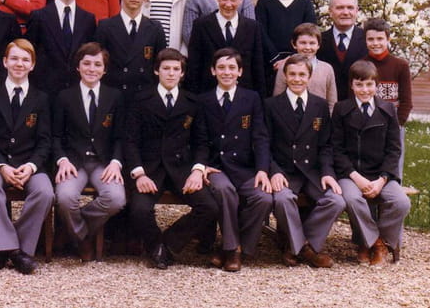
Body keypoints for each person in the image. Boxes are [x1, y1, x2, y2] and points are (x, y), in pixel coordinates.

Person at [125, 49, 219, 269]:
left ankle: (167, 244)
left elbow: (201, 142)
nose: (171, 73)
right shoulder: (140, 100)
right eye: (166, 68)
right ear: (156, 71)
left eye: (176, 69)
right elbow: (130, 141)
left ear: (182, 73)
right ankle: (155, 245)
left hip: (181, 168)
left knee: (209, 207)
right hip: (150, 169)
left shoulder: (192, 102)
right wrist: (139, 174)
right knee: (139, 209)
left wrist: (197, 170)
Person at [192, 48, 273, 272]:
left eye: (231, 68)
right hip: (216, 167)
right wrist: (200, 166)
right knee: (224, 191)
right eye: (221, 67)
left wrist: (262, 170)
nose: (226, 72)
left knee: (264, 198)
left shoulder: (252, 98)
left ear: (240, 71)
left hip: (244, 167)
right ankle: (232, 250)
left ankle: (237, 246)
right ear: (213, 71)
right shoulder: (203, 100)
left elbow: (260, 137)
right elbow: (200, 140)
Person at [0, 39, 54, 274]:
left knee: (45, 192)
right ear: (5, 62)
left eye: (25, 59)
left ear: (33, 65)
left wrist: (31, 166)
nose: (19, 64)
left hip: (30, 164)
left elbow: (45, 141)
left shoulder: (41, 98)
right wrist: (1, 166)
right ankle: (16, 252)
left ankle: (10, 249)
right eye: (14, 58)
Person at [265, 54, 345, 268]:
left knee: (336, 201)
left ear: (309, 77)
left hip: (311, 171)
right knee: (283, 199)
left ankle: (297, 245)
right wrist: (274, 171)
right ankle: (306, 251)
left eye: (302, 74)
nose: (297, 79)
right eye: (292, 74)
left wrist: (327, 173)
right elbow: (263, 145)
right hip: (284, 171)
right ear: (285, 76)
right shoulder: (271, 105)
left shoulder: (320, 105)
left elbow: (326, 145)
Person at [52, 42, 125, 261]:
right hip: (74, 162)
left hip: (103, 162)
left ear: (105, 69)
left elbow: (121, 136)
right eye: (86, 63)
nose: (91, 69)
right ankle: (83, 238)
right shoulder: (64, 96)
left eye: (97, 64)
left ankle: (71, 230)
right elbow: (55, 136)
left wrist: (116, 162)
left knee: (116, 199)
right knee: (65, 198)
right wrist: (62, 160)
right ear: (78, 67)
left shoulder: (115, 97)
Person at [332, 60, 410, 265]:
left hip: (380, 175)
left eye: (369, 84)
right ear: (352, 85)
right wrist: (356, 177)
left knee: (401, 202)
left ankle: (378, 241)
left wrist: (382, 180)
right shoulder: (341, 109)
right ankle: (374, 243)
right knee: (352, 199)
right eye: (359, 84)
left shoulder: (388, 109)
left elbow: (394, 150)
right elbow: (337, 150)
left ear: (376, 85)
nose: (364, 90)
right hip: (351, 174)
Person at [186, 0, 266, 96]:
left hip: (243, 96)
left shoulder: (253, 27)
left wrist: (259, 101)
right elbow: (194, 66)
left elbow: (258, 68)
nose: (228, 4)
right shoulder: (201, 25)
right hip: (208, 96)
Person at [95, 0, 166, 102]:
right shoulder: (105, 27)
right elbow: (99, 65)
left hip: (145, 99)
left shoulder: (155, 28)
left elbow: (159, 67)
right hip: (114, 98)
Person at [26, 0, 96, 95]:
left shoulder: (88, 19)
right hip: (45, 89)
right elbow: (30, 53)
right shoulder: (38, 16)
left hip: (77, 90)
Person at [363, 17, 412, 178]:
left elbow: (406, 101)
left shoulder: (400, 65)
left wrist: (397, 125)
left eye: (380, 39)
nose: (375, 43)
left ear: (388, 39)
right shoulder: (361, 64)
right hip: (366, 125)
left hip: (393, 124)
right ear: (365, 40)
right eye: (371, 39)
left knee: (392, 166)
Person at [273, 23, 338, 112]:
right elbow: (278, 98)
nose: (307, 47)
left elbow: (332, 102)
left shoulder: (327, 69)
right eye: (303, 43)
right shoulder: (285, 67)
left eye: (312, 43)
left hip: (319, 117)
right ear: (294, 44)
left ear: (318, 45)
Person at [317, 0, 367, 100]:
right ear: (330, 12)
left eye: (350, 8)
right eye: (340, 8)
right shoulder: (318, 41)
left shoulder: (368, 40)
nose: (345, 12)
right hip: (326, 104)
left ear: (357, 11)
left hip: (359, 104)